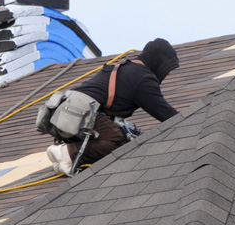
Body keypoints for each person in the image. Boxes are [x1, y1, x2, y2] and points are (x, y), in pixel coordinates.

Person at [46, 38, 179, 175]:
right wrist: (193, 119)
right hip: (80, 112)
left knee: (111, 134)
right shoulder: (143, 79)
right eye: (167, 68)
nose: (167, 74)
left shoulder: (128, 68)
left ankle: (66, 158)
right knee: (119, 142)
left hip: (63, 110)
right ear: (159, 62)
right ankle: (66, 152)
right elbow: (166, 113)